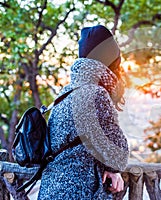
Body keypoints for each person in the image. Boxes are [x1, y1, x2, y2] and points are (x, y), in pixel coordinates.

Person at [38, 25, 129, 199]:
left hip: (50, 190)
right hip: (80, 193)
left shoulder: (64, 92)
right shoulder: (97, 93)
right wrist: (113, 170)